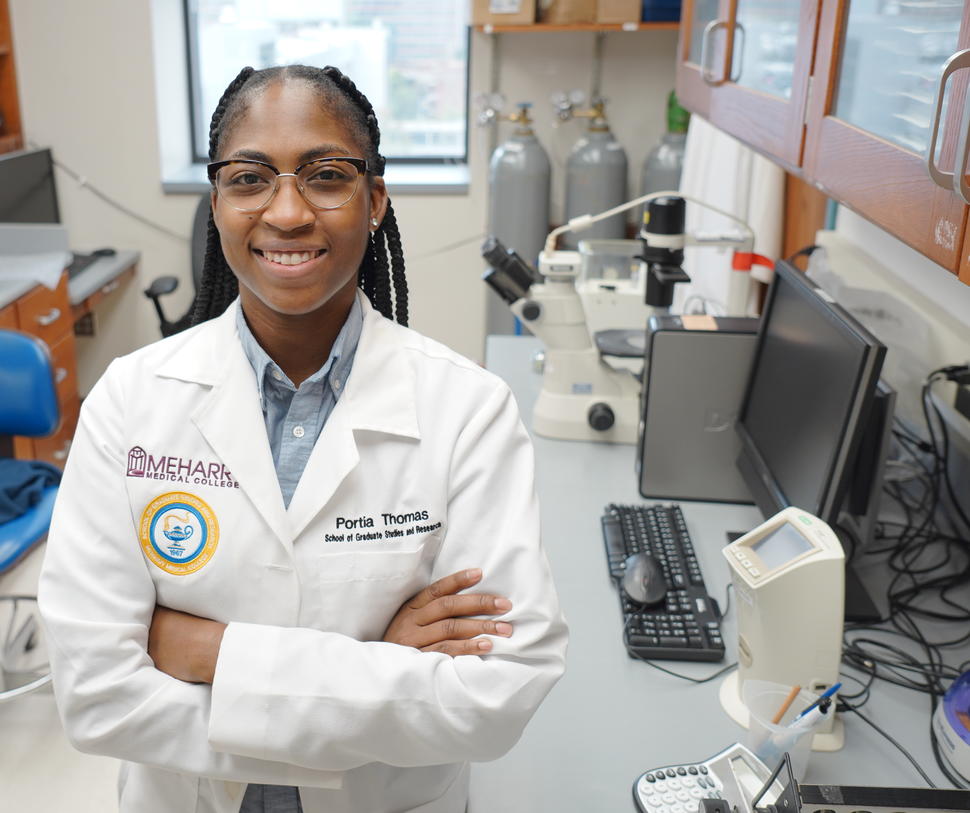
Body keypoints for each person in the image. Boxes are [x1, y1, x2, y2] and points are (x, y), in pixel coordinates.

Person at [38, 65, 567, 813]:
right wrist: (377, 668)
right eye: (250, 178)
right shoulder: (130, 400)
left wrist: (210, 654)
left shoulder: (467, 410)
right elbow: (96, 695)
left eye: (325, 175)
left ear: (375, 199)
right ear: (217, 202)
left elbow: (500, 690)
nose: (286, 212)